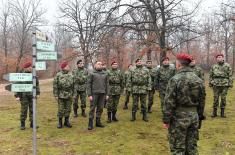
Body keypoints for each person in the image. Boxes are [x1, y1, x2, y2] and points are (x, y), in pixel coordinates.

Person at [163, 53, 206, 154]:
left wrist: (166, 120)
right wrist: (199, 117)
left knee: (178, 148)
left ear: (178, 64)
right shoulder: (198, 80)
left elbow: (169, 102)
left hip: (178, 117)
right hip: (194, 117)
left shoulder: (175, 80)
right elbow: (202, 101)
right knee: (192, 148)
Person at [15, 61, 40, 130]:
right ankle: (22, 124)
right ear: (26, 68)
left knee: (33, 110)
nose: (31, 68)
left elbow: (37, 85)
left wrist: (38, 93)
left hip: (32, 96)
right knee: (24, 110)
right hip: (24, 96)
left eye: (31, 67)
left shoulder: (34, 75)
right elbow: (16, 85)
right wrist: (17, 96)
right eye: (30, 67)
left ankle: (32, 124)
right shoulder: (21, 75)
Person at [87, 61, 109, 130]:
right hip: (94, 94)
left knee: (100, 108)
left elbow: (107, 84)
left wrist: (107, 94)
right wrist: (89, 94)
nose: (100, 65)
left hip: (102, 93)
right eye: (98, 64)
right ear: (95, 65)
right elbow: (88, 84)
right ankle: (90, 123)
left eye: (101, 64)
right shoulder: (91, 73)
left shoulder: (105, 74)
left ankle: (98, 122)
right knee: (92, 108)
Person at [209, 53, 233, 118]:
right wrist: (210, 83)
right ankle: (214, 113)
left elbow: (230, 75)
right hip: (215, 84)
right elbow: (211, 75)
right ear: (216, 59)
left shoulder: (227, 66)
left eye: (220, 57)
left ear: (223, 58)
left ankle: (222, 113)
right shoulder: (213, 66)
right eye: (218, 57)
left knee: (223, 98)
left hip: (224, 84)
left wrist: (230, 84)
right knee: (215, 98)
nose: (219, 58)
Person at [53, 61, 75, 128]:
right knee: (61, 109)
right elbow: (55, 85)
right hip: (61, 95)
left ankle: (66, 121)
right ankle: (60, 122)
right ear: (63, 67)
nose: (68, 67)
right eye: (67, 66)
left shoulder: (71, 75)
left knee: (68, 108)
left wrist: (74, 94)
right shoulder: (58, 75)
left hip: (69, 94)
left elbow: (74, 85)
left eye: (68, 66)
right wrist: (56, 95)